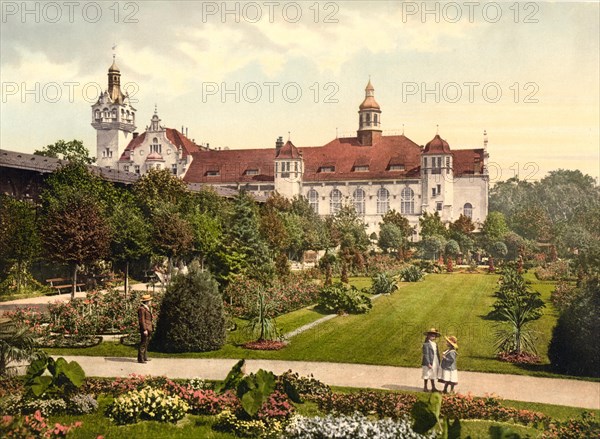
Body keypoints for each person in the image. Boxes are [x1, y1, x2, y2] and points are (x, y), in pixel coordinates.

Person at [421, 328, 441, 392]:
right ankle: (425, 387)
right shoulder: (426, 344)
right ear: (428, 336)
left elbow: (437, 353)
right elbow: (426, 354)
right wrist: (428, 363)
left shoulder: (435, 344)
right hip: (428, 361)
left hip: (435, 360)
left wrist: (439, 361)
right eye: (431, 335)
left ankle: (433, 387)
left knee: (433, 373)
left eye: (434, 335)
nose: (433, 336)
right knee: (427, 374)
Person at [137, 294, 153, 364]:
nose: (150, 302)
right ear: (146, 301)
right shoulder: (142, 309)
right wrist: (144, 329)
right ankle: (140, 359)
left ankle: (145, 357)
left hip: (148, 327)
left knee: (146, 343)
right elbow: (142, 320)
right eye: (149, 301)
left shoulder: (146, 308)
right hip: (145, 328)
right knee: (143, 343)